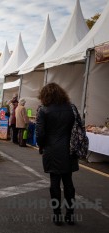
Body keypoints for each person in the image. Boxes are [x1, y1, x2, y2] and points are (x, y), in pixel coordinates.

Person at [36, 83, 79, 226]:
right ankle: (70, 215)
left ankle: (57, 216)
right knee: (68, 182)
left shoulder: (43, 110)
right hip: (69, 149)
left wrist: (41, 146)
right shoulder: (71, 108)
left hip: (52, 149)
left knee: (54, 183)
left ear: (45, 95)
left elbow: (40, 133)